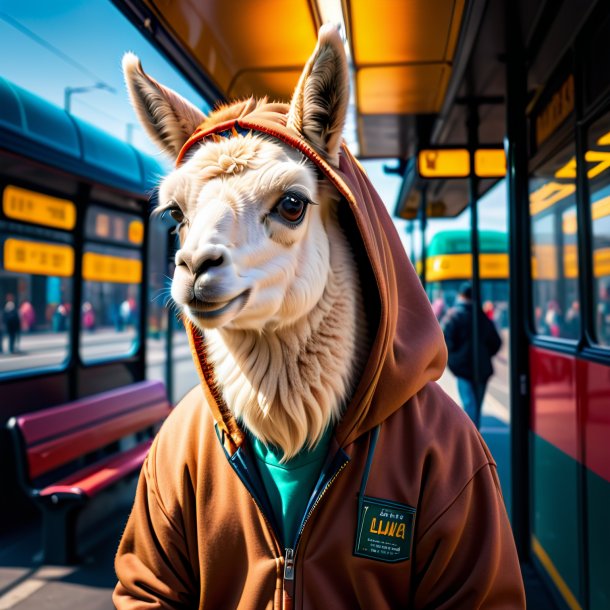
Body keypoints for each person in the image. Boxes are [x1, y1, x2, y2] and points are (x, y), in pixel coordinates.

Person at [114, 27, 525, 608]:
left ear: (330, 222)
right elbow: (145, 594)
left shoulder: (440, 452)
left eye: (288, 206)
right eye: (184, 214)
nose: (197, 249)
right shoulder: (183, 447)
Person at [441, 282, 502, 429]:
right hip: (482, 368)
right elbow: (496, 342)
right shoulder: (482, 317)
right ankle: (476, 438)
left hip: (462, 369)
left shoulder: (453, 316)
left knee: (469, 405)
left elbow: (446, 342)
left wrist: (455, 359)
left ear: (461, 296)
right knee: (476, 406)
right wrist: (484, 354)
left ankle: (471, 440)